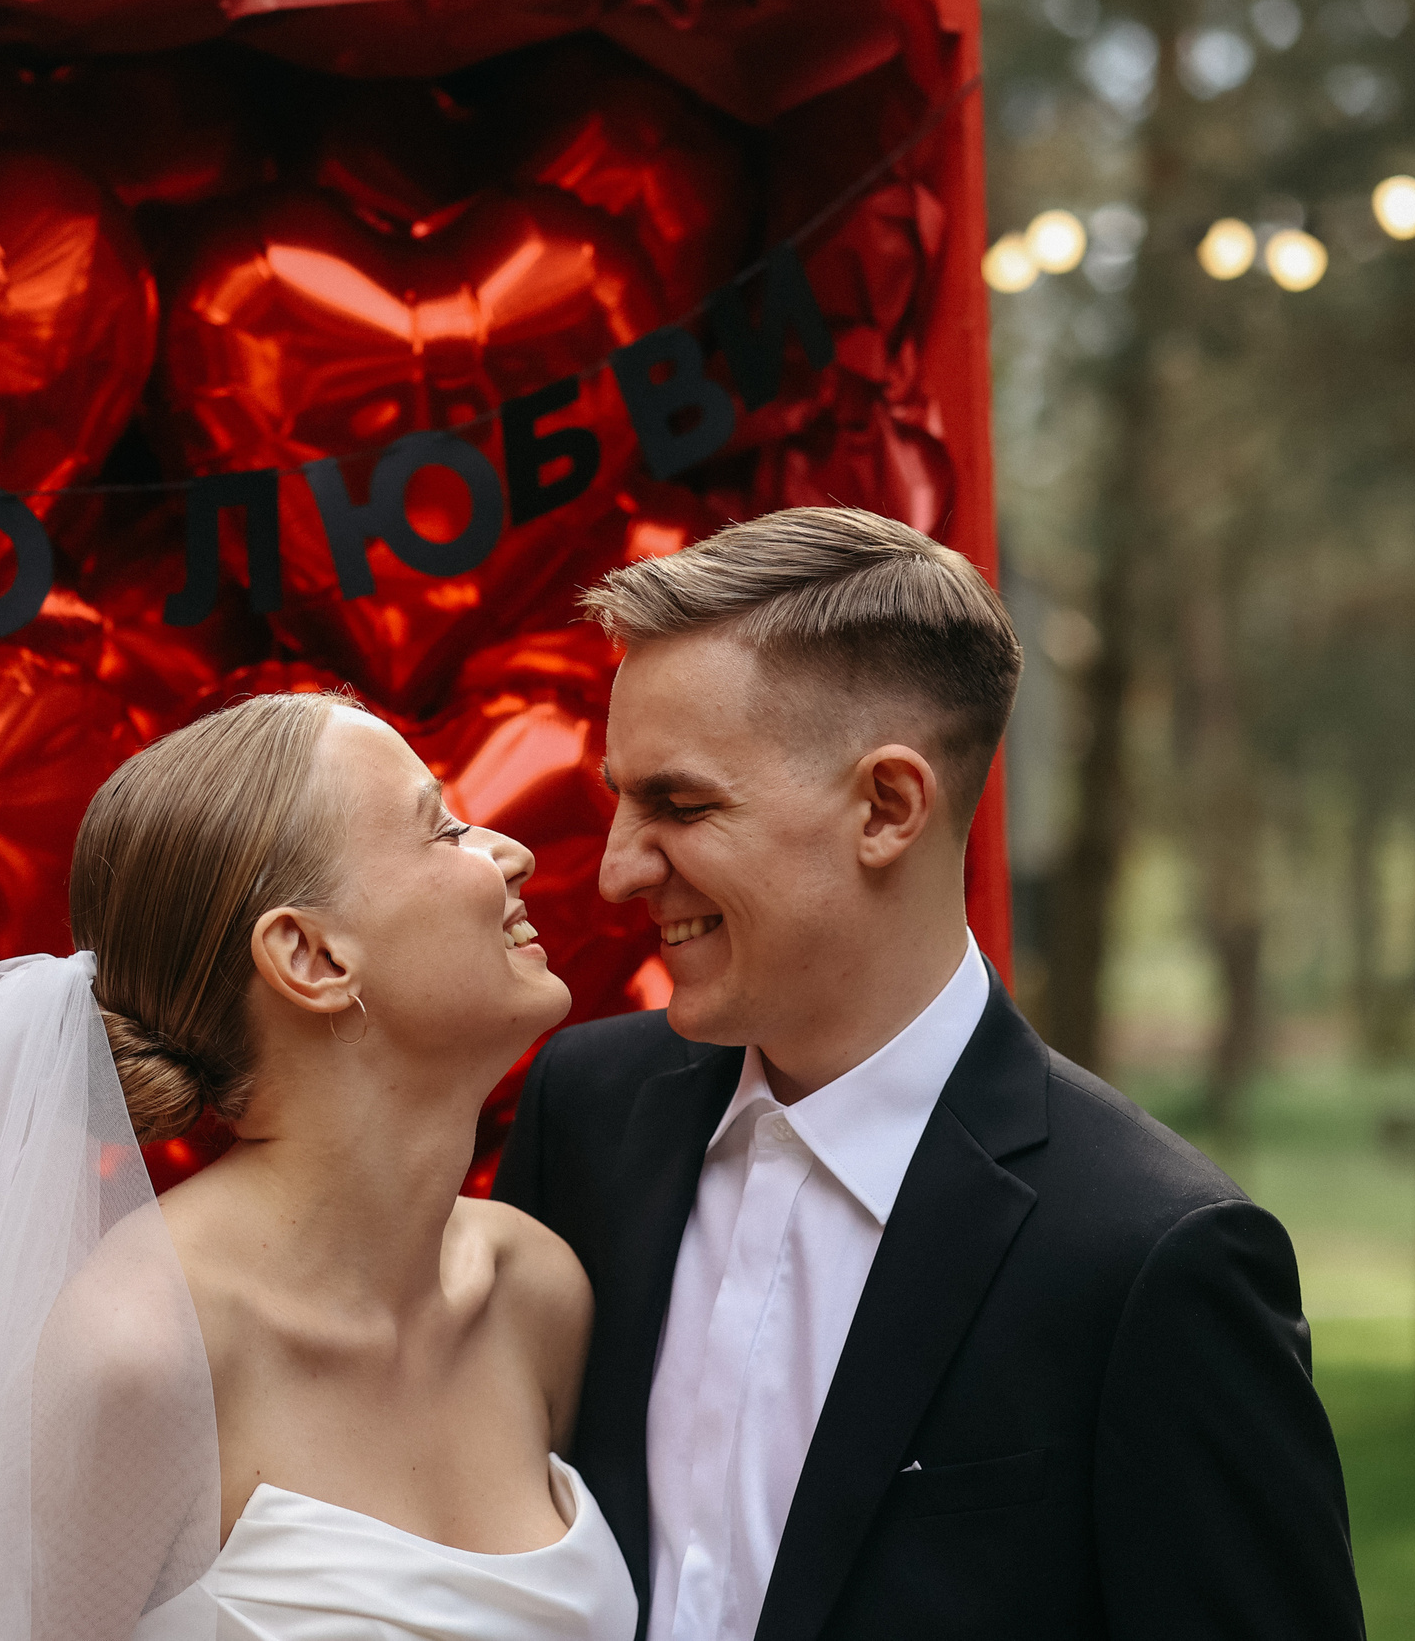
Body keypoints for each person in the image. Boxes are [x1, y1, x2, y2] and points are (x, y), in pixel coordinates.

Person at [494, 507, 1365, 1641]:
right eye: (619, 798)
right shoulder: (586, 1115)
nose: (616, 869)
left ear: (887, 806)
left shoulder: (1154, 1257)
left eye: (680, 804)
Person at [0, 691, 638, 1641]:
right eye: (442, 829)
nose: (512, 852)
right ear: (310, 955)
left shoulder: (536, 1291)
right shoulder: (141, 1354)